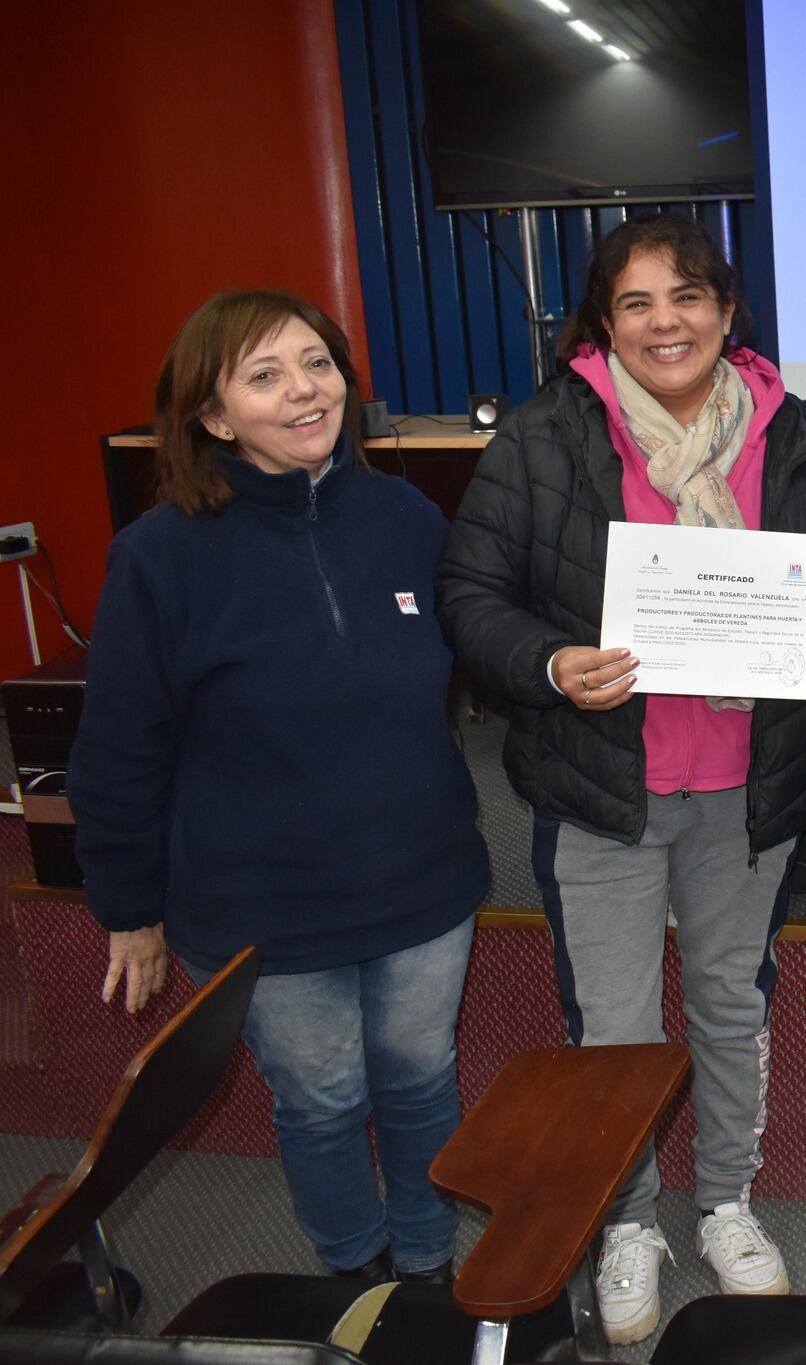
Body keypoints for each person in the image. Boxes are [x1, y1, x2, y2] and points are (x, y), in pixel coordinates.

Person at [436, 215, 806, 1342]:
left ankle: (727, 1200)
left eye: (686, 297)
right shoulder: (544, 437)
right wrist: (546, 663)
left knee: (731, 1004)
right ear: (605, 324)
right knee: (617, 1029)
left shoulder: (796, 436)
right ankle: (626, 1217)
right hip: (601, 787)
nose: (664, 322)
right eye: (635, 304)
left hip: (749, 783)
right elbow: (471, 597)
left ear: (726, 312)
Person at [70, 290, 491, 1285]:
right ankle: (353, 1272)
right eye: (265, 376)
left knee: (422, 1081)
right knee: (322, 1098)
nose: (306, 391)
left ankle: (427, 1272)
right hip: (263, 905)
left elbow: (465, 662)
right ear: (214, 418)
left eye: (317, 363)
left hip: (421, 882)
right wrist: (129, 909)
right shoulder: (158, 559)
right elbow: (119, 750)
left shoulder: (402, 516)